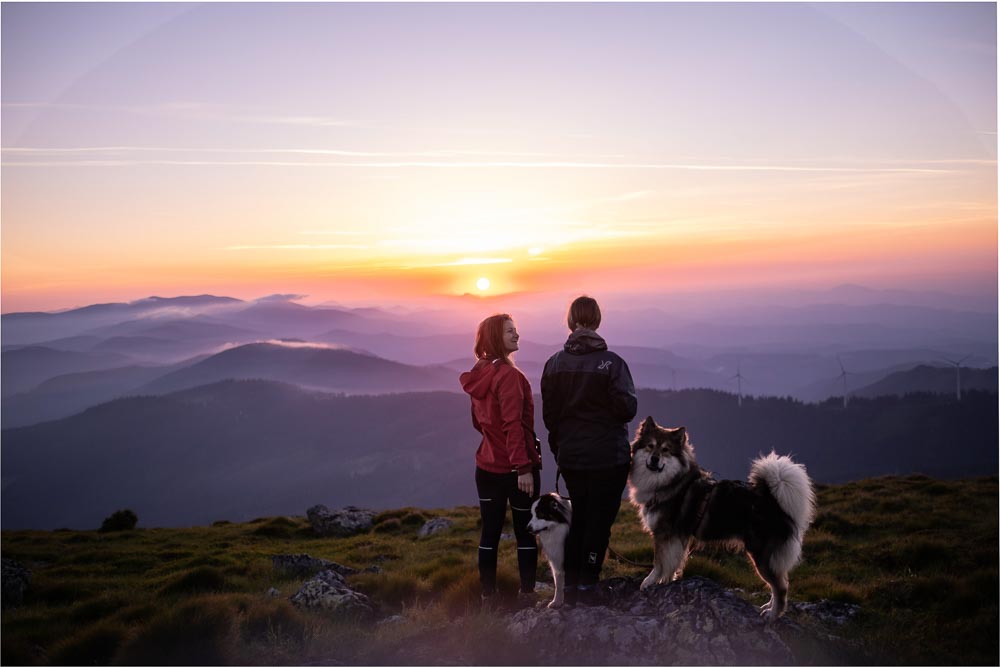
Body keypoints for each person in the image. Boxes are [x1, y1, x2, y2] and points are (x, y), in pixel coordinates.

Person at [541, 295, 637, 605]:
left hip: (572, 458)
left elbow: (550, 418)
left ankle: (569, 588)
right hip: (609, 458)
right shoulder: (613, 363)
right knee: (599, 522)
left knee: (579, 518)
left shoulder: (553, 364)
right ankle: (588, 586)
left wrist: (561, 449)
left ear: (571, 321)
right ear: (596, 320)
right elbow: (627, 409)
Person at [460, 313, 542, 605]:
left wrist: (494, 443)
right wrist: (523, 468)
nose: (517, 335)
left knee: (490, 532)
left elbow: (478, 422)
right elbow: (513, 425)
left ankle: (488, 596)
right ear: (496, 337)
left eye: (516, 329)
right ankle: (528, 594)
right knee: (526, 532)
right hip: (515, 470)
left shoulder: (479, 373)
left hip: (486, 467)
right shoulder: (508, 376)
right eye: (510, 331)